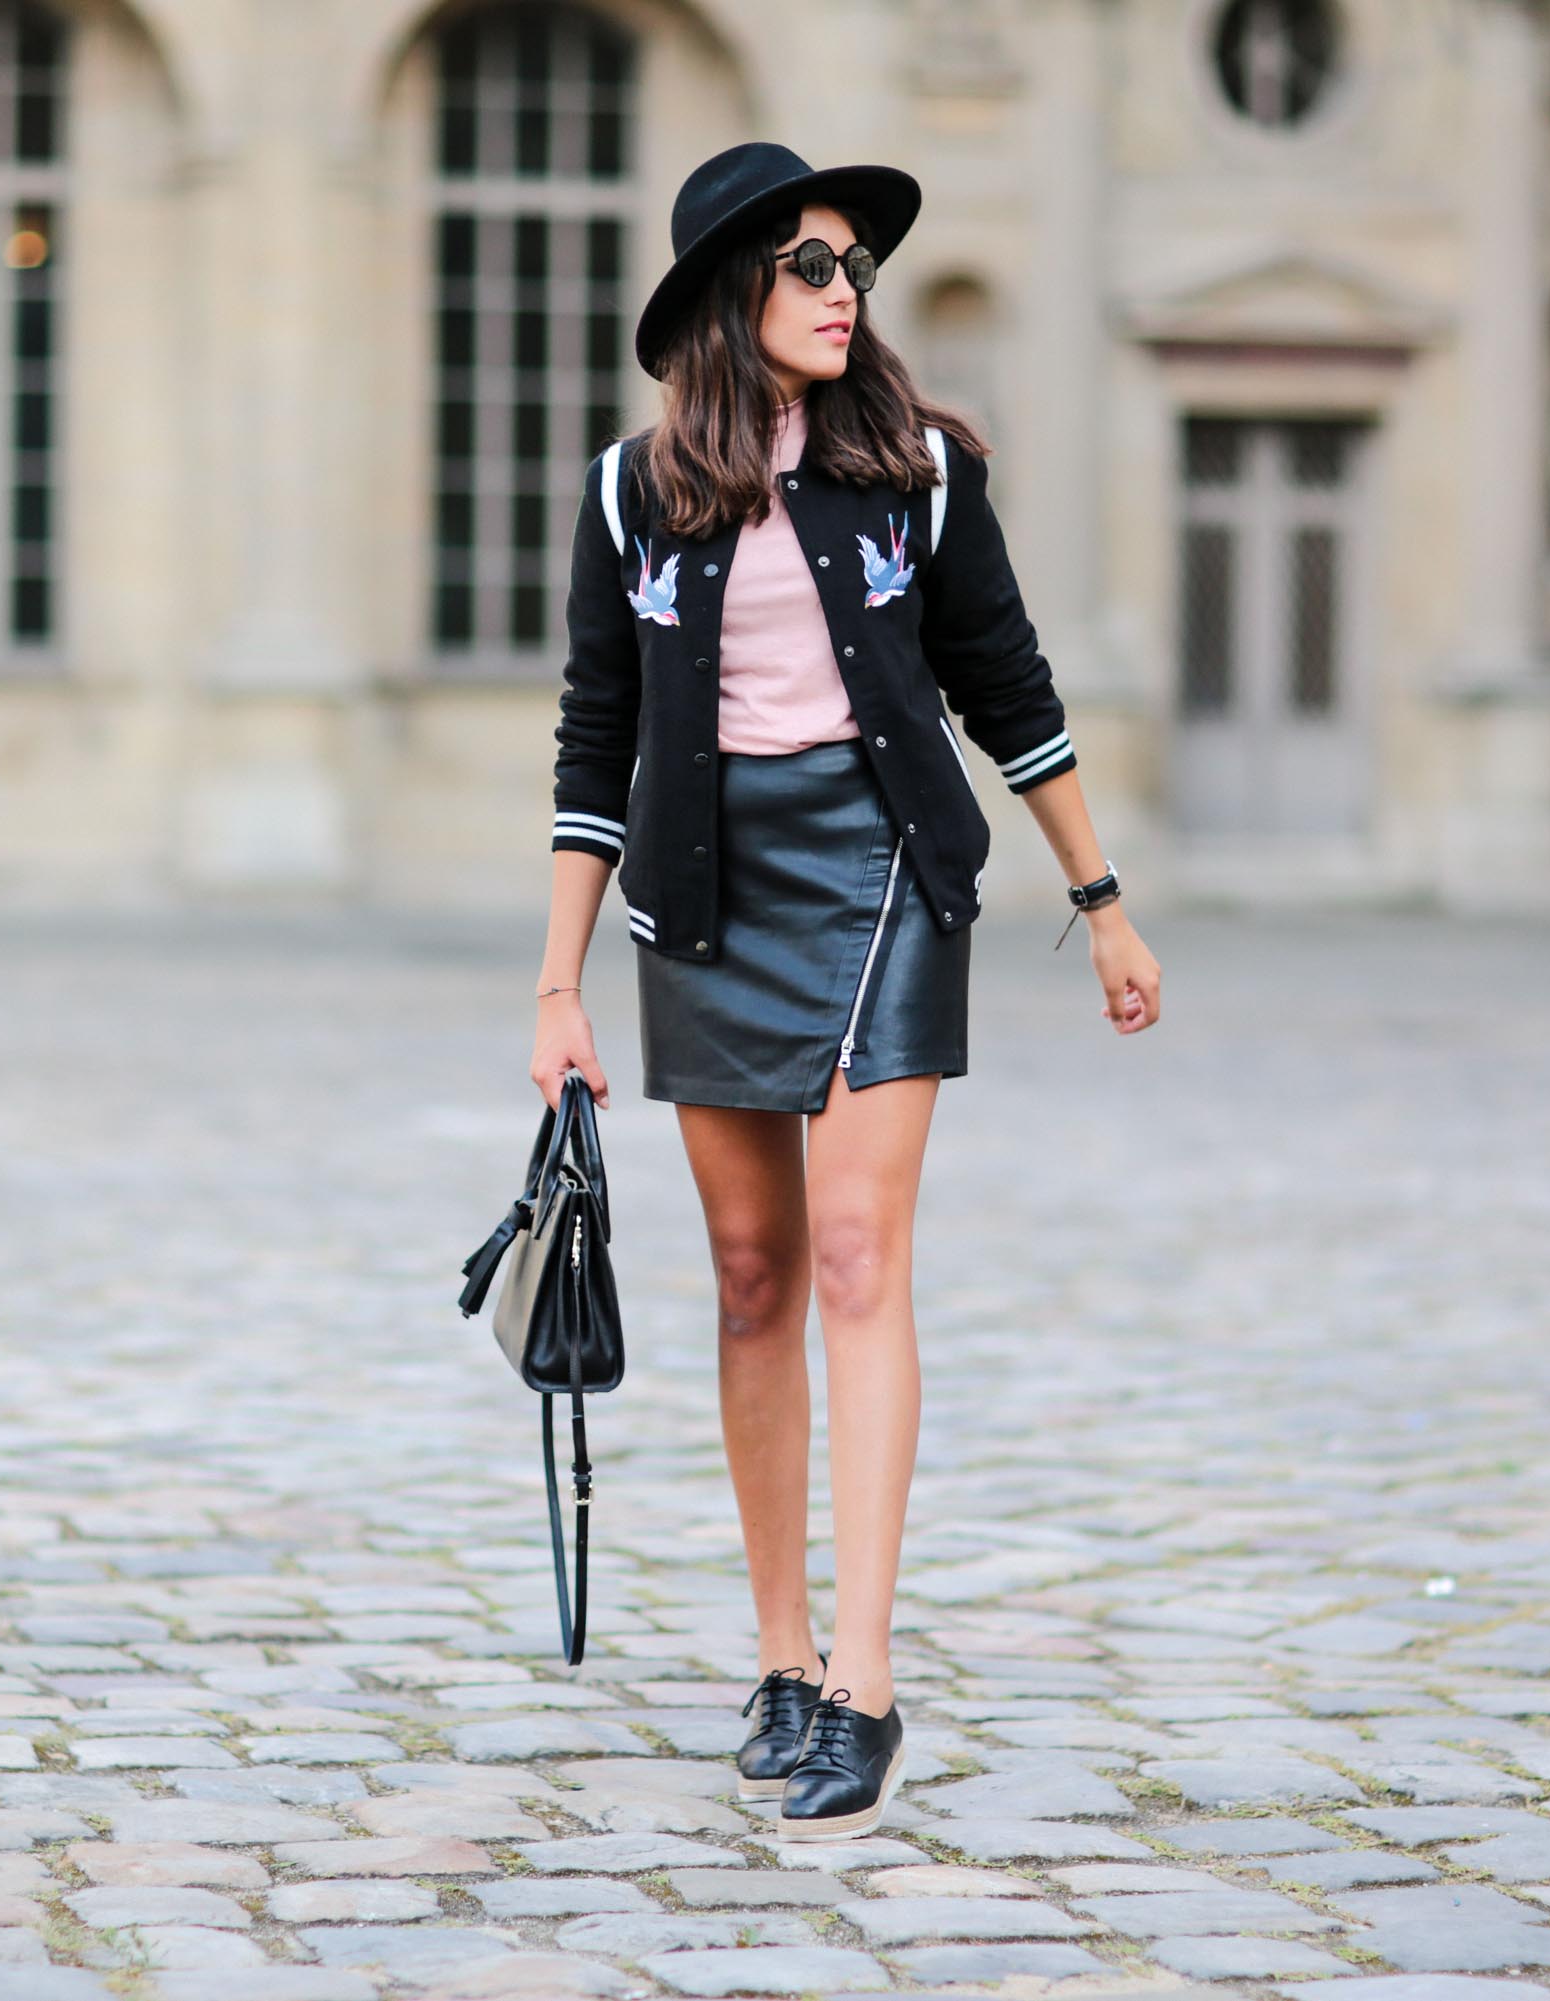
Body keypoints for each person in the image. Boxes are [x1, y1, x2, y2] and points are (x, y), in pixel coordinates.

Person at [527, 141, 1162, 1841]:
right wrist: (557, 982)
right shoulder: (627, 494)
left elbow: (1005, 684)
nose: (840, 291)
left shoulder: (922, 473)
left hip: (883, 867)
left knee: (863, 1253)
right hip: (704, 894)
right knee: (750, 1277)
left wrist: (1098, 897)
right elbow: (598, 741)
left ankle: (870, 1685)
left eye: (850, 269)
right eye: (808, 266)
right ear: (732, 294)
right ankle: (786, 1660)